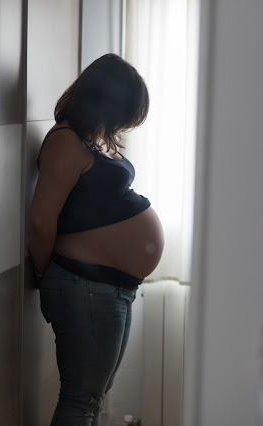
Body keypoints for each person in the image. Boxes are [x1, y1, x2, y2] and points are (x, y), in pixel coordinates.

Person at [28, 53, 164, 425]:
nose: (123, 123)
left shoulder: (92, 139)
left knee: (93, 399)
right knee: (82, 400)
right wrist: (43, 274)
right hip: (83, 285)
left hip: (106, 287)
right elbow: (41, 220)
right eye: (125, 112)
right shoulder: (66, 141)